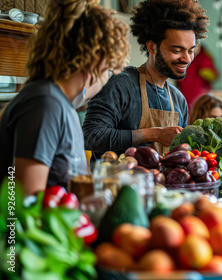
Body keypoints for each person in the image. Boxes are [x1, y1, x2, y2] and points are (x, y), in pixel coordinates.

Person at [0, 0, 130, 195]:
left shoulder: (62, 105)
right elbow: (23, 207)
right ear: (93, 61)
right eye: (108, 71)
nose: (105, 81)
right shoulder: (45, 105)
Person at [82, 0, 209, 157]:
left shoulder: (178, 100)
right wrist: (151, 134)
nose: (187, 59)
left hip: (163, 182)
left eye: (191, 51)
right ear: (152, 47)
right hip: (118, 181)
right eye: (177, 50)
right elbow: (90, 136)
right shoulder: (120, 85)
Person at [176, 45, 219, 111]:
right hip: (185, 95)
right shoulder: (186, 59)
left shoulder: (203, 57)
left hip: (199, 95)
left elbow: (213, 75)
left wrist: (204, 72)